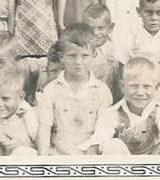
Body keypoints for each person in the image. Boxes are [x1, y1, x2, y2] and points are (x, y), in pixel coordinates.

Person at [79, 57, 160, 155]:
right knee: (110, 145)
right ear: (122, 86)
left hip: (154, 162)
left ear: (156, 87)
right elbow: (97, 142)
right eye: (134, 86)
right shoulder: (112, 113)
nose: (140, 92)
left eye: (146, 86)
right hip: (124, 164)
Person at [36, 23, 112, 155]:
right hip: (58, 154)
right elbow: (44, 129)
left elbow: (103, 132)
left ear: (94, 54)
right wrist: (44, 160)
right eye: (72, 56)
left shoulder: (101, 91)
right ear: (61, 57)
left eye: (84, 56)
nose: (78, 62)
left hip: (89, 156)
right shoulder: (51, 90)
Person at [82, 4, 121, 102]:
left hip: (108, 99)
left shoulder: (114, 52)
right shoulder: (80, 50)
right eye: (90, 29)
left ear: (110, 28)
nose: (95, 33)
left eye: (101, 28)